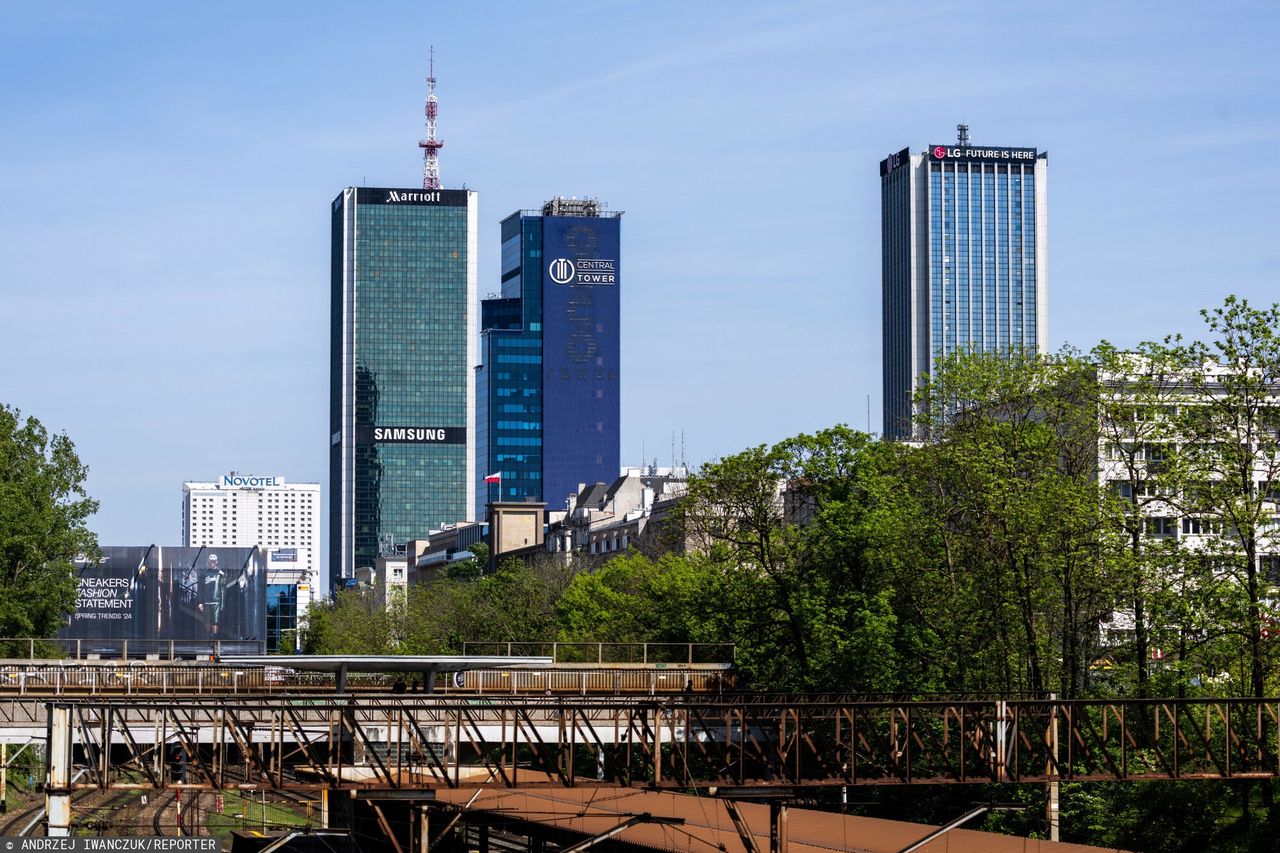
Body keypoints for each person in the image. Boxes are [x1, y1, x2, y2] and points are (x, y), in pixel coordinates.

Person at [198, 553, 226, 637]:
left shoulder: (220, 574)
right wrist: (200, 602)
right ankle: (208, 637)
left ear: (216, 562)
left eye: (213, 561)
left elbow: (223, 590)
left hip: (216, 602)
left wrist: (222, 604)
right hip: (206, 601)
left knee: (215, 621)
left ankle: (214, 638)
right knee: (207, 621)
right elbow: (200, 589)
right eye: (210, 561)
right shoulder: (203, 574)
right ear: (208, 562)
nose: (212, 563)